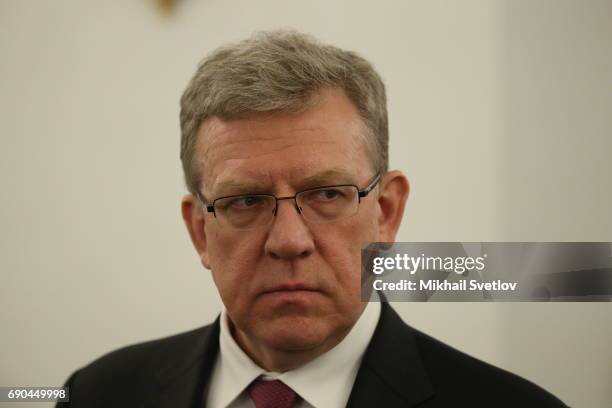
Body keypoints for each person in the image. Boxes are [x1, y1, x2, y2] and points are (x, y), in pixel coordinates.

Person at [58, 30, 567, 408]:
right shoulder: (97, 394)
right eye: (245, 202)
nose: (289, 241)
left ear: (386, 212)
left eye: (327, 193)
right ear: (199, 231)